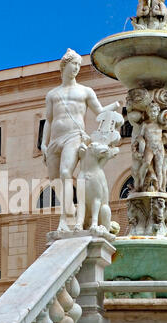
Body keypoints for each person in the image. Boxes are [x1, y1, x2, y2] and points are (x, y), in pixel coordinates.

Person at [41, 48, 120, 232]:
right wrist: (43, 144)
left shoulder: (85, 91)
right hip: (54, 140)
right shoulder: (52, 94)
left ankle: (65, 220)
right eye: (73, 64)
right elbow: (49, 120)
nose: (76, 68)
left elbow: (99, 113)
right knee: (55, 180)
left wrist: (116, 107)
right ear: (64, 66)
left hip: (74, 136)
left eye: (78, 65)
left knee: (65, 173)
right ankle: (71, 210)